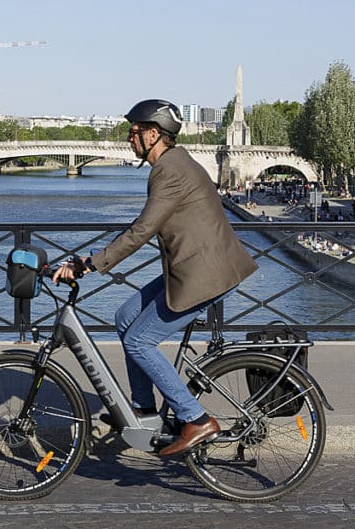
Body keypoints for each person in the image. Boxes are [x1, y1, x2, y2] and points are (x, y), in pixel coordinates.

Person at [52, 99, 258, 458]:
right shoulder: (173, 164)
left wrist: (92, 264)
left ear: (153, 134)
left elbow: (144, 229)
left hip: (203, 275)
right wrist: (94, 259)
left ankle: (195, 418)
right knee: (124, 318)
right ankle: (144, 409)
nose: (128, 139)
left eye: (133, 132)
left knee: (139, 342)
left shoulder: (169, 170)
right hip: (192, 269)